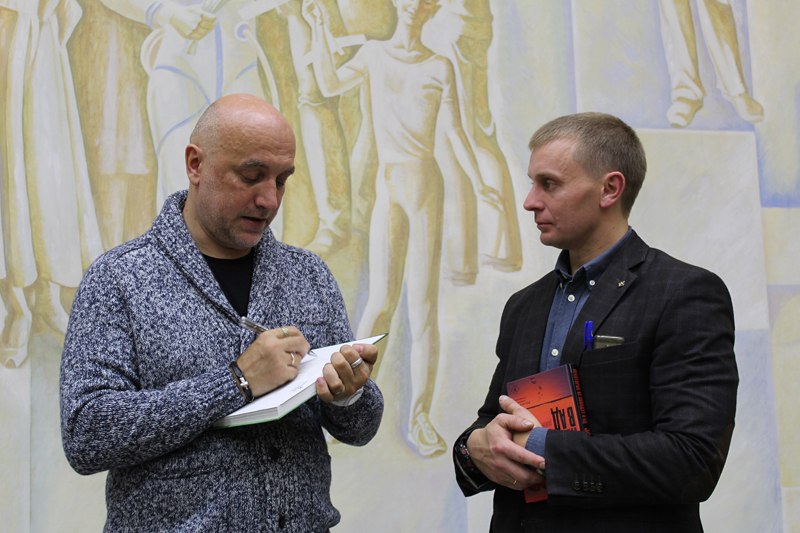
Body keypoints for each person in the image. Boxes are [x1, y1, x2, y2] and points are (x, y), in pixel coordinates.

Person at [60, 94, 384, 532]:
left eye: (281, 181)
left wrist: (349, 395)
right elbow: (86, 435)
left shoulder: (308, 275)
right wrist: (236, 382)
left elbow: (360, 430)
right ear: (195, 165)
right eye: (251, 176)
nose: (269, 199)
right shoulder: (119, 278)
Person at [453, 112, 738, 531]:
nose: (530, 201)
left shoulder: (684, 293)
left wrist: (540, 447)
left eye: (549, 183)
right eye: (532, 183)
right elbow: (493, 420)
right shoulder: (523, 306)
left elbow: (692, 460)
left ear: (610, 189)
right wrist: (473, 446)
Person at [304, 0, 501, 458]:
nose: (415, 6)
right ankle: (345, 406)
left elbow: (456, 132)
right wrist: (318, 27)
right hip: (389, 189)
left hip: (426, 189)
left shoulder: (439, 66)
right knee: (380, 303)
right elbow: (330, 83)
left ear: (432, 9)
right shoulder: (374, 55)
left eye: (425, 1)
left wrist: (479, 183)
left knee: (423, 308)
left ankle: (419, 417)